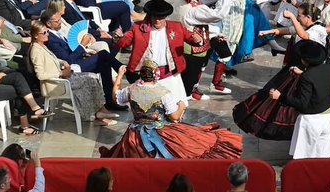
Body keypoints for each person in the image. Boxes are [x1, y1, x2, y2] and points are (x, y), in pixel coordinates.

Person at [101, 62, 243, 159]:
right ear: (156, 75)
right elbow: (174, 117)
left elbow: (116, 97)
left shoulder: (131, 89)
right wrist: (181, 104)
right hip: (160, 130)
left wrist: (120, 75)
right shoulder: (163, 92)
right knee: (189, 147)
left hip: (134, 134)